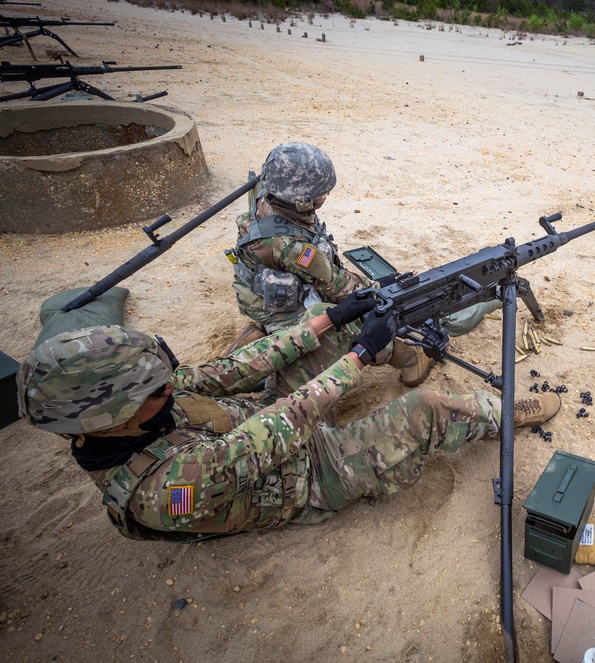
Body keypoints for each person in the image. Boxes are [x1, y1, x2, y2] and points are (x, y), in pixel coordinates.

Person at [16, 300, 560, 541]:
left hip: (251, 421)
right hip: (309, 477)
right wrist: (357, 360)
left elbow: (233, 370)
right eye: (156, 390)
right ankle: (500, 413)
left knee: (302, 338)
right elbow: (276, 430)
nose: (168, 387)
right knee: (428, 410)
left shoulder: (134, 409)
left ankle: (400, 354)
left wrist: (329, 320)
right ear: (115, 418)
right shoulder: (163, 494)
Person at [227, 141, 498, 387]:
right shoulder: (290, 247)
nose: (326, 195)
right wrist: (384, 286)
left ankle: (263, 334)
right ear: (300, 200)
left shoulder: (271, 195)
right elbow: (340, 287)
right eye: (321, 192)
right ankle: (410, 357)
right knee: (356, 325)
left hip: (263, 299)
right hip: (281, 308)